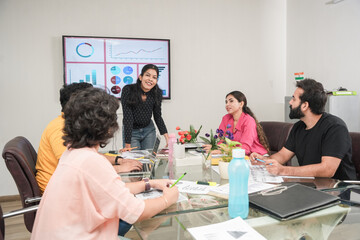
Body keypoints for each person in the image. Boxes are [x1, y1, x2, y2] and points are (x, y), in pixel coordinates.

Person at [31, 87, 179, 240]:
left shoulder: (73, 153)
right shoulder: (91, 162)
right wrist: (169, 198)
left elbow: (112, 189)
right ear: (108, 127)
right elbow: (136, 212)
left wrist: (149, 184)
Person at [36, 82, 142, 194]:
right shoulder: (60, 128)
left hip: (65, 185)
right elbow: (76, 169)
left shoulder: (69, 124)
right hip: (58, 190)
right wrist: (119, 169)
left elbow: (87, 156)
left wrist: (119, 160)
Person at [250, 79, 357, 180]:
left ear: (305, 105)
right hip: (311, 186)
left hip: (337, 189)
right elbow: (282, 155)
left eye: (294, 99)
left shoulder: (335, 127)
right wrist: (263, 160)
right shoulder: (298, 127)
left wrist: (284, 170)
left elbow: (327, 170)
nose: (290, 102)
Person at [204, 91, 269, 156]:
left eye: (231, 101)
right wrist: (215, 147)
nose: (227, 104)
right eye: (226, 102)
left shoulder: (249, 121)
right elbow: (221, 141)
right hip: (234, 155)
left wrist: (221, 150)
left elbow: (245, 149)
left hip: (256, 156)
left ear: (241, 104)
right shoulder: (226, 118)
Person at [121, 64, 169, 151]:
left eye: (154, 77)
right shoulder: (128, 90)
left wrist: (166, 135)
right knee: (134, 160)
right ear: (140, 77)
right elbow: (128, 117)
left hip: (149, 131)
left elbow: (157, 116)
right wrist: (127, 143)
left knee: (149, 160)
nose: (150, 79)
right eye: (147, 75)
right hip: (132, 132)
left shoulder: (157, 93)